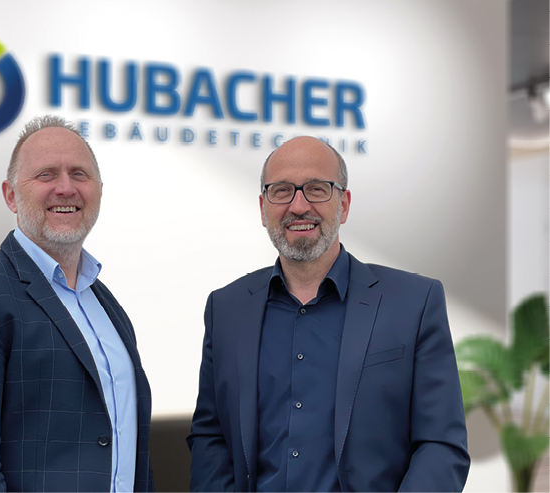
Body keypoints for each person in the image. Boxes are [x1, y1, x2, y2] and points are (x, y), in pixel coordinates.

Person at [187, 136, 470, 492]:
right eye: (282, 191)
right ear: (262, 207)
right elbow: (211, 436)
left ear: (344, 204)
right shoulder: (226, 309)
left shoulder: (414, 303)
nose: (298, 206)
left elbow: (441, 444)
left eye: (317, 189)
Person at [0, 115, 154, 492]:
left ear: (98, 190)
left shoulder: (108, 306)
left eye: (79, 174)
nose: (66, 188)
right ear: (11, 196)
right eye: (46, 175)